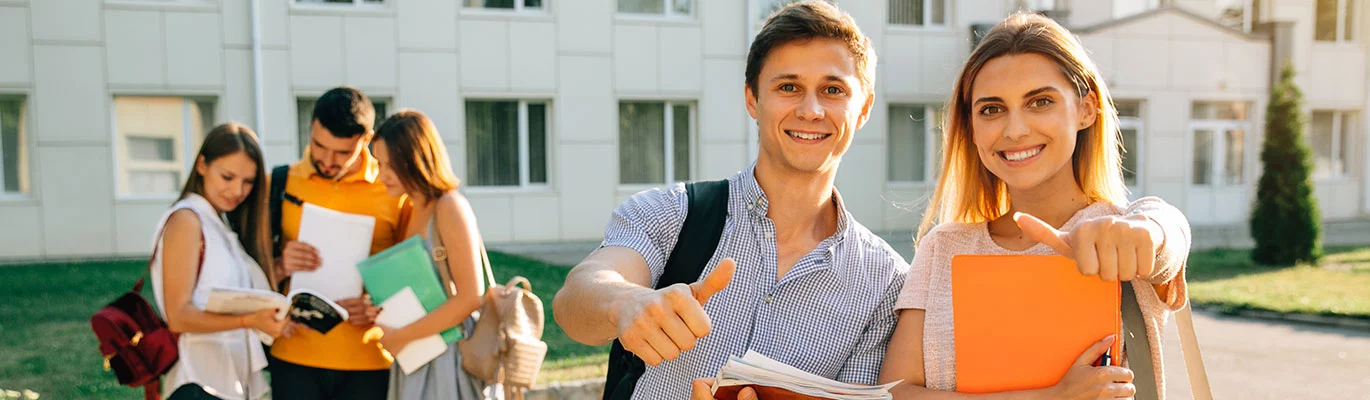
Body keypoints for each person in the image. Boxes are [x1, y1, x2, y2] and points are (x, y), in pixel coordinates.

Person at [552, 2, 907, 399]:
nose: (811, 110)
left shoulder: (886, 283)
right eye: (788, 87)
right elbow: (574, 300)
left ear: (864, 108)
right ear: (752, 99)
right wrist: (626, 304)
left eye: (833, 90)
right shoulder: (672, 213)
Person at [877, 13, 1192, 400]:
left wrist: (1152, 228)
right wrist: (1049, 396)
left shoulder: (1119, 235)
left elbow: (1168, 238)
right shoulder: (944, 248)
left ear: (1086, 109)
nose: (1015, 130)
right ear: (971, 127)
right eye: (992, 109)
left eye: (1040, 102)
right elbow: (894, 394)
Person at [268, 86, 412, 400]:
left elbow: (414, 273)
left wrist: (378, 304)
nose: (327, 160)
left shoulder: (393, 189)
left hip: (369, 360)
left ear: (367, 139)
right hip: (292, 357)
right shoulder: (279, 183)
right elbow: (247, 271)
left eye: (343, 152)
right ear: (311, 129)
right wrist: (279, 264)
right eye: (319, 146)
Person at [151, 123, 287, 400]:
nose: (237, 190)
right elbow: (178, 317)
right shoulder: (187, 220)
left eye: (248, 182)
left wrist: (282, 268)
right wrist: (249, 320)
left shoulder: (218, 223)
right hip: (196, 382)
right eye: (227, 177)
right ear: (202, 165)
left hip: (226, 383)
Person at [371, 110, 493, 399]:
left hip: (450, 357)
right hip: (417, 353)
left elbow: (470, 297)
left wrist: (401, 336)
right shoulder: (411, 208)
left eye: (390, 165)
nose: (381, 175)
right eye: (379, 164)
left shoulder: (449, 206)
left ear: (416, 159)